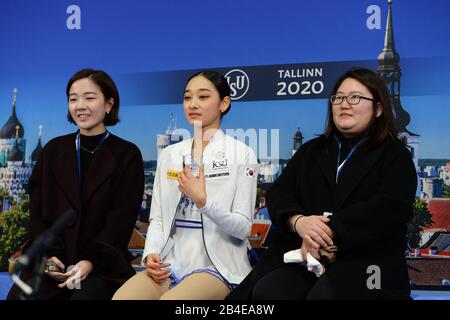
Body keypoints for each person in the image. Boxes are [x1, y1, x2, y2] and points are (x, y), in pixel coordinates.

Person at [227, 67, 417, 300]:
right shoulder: (312, 151)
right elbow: (279, 193)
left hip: (367, 259)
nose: (344, 104)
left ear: (378, 108)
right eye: (338, 97)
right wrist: (299, 221)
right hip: (303, 253)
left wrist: (326, 230)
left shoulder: (395, 155)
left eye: (355, 97)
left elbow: (389, 207)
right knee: (269, 291)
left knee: (324, 297)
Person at [113, 70, 258, 300]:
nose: (193, 104)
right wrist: (151, 253)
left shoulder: (242, 154)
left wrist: (204, 202)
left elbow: (243, 228)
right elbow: (158, 218)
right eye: (187, 97)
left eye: (203, 97)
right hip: (170, 263)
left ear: (224, 103)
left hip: (218, 266)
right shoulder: (170, 154)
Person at [7, 69, 144, 300]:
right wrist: (48, 259)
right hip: (53, 263)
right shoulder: (53, 150)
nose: (80, 105)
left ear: (109, 104)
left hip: (102, 266)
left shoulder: (126, 155)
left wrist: (90, 262)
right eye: (73, 99)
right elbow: (38, 213)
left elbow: (120, 220)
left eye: (89, 98)